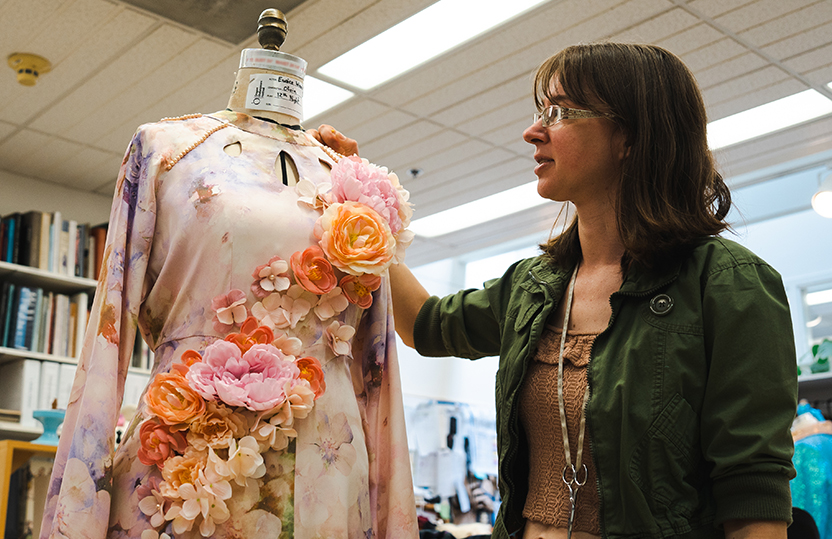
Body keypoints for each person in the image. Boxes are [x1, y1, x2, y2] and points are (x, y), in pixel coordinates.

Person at [311, 42, 797, 539]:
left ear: (630, 136)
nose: (533, 131)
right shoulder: (534, 286)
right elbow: (425, 325)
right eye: (540, 112)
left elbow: (752, 492)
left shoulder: (728, 284)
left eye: (560, 112)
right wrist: (358, 200)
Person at [39, 11, 418, 539]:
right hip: (189, 468)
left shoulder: (354, 186)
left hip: (328, 469)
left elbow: (377, 367)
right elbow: (109, 333)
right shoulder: (168, 150)